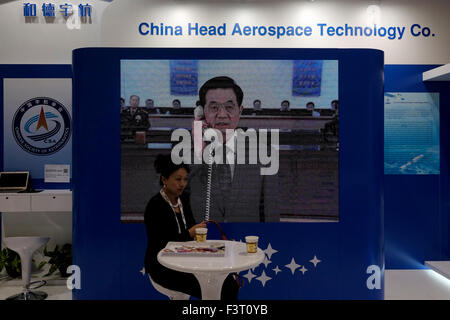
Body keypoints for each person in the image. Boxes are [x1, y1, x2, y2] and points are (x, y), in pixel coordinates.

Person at [144, 154, 239, 300]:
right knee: (220, 289)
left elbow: (191, 229)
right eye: (178, 179)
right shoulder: (155, 206)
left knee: (230, 284)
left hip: (187, 260)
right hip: (162, 266)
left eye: (184, 179)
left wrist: (197, 231)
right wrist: (190, 233)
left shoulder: (184, 200)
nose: (182, 184)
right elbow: (162, 244)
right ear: (164, 179)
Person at [188, 76, 279, 223]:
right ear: (202, 112)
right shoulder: (187, 153)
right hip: (200, 243)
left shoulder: (264, 154)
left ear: (240, 111)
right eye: (214, 107)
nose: (222, 115)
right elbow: (171, 198)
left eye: (229, 107)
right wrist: (198, 147)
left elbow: (270, 214)